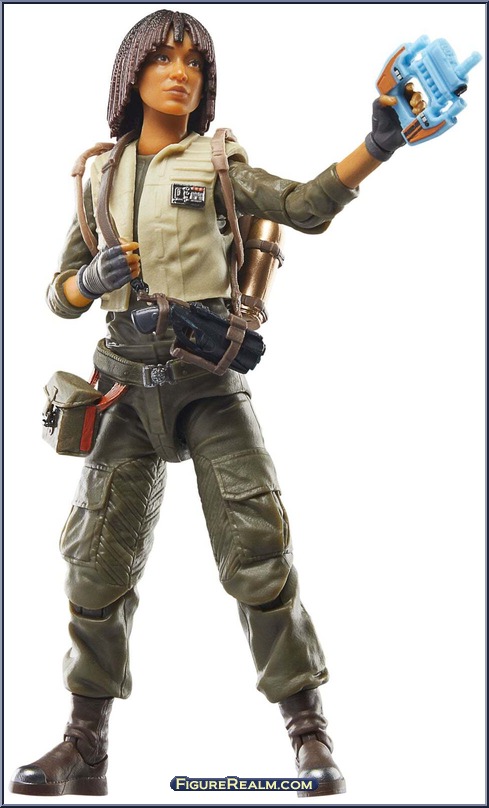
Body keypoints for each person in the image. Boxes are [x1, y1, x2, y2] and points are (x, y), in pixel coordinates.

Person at [10, 8, 428, 799]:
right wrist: (90, 279)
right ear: (131, 72)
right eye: (163, 58)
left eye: (194, 62)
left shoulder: (217, 161)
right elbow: (58, 297)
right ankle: (85, 745)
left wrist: (376, 146)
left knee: (257, 552)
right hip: (123, 389)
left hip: (207, 384)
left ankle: (308, 733)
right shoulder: (98, 175)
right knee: (95, 568)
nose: (180, 73)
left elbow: (300, 206)